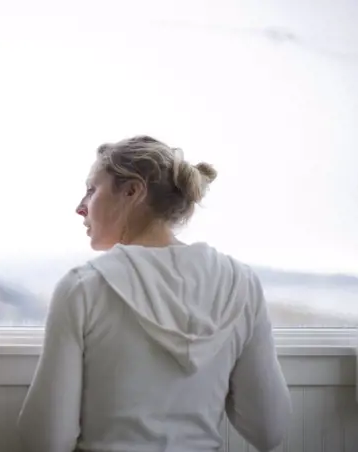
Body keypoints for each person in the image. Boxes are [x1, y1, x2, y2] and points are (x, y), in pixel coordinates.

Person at [17, 135, 292, 452]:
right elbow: (270, 430)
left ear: (132, 191)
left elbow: (45, 441)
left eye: (92, 190)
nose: (80, 208)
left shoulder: (84, 287)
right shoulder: (241, 283)